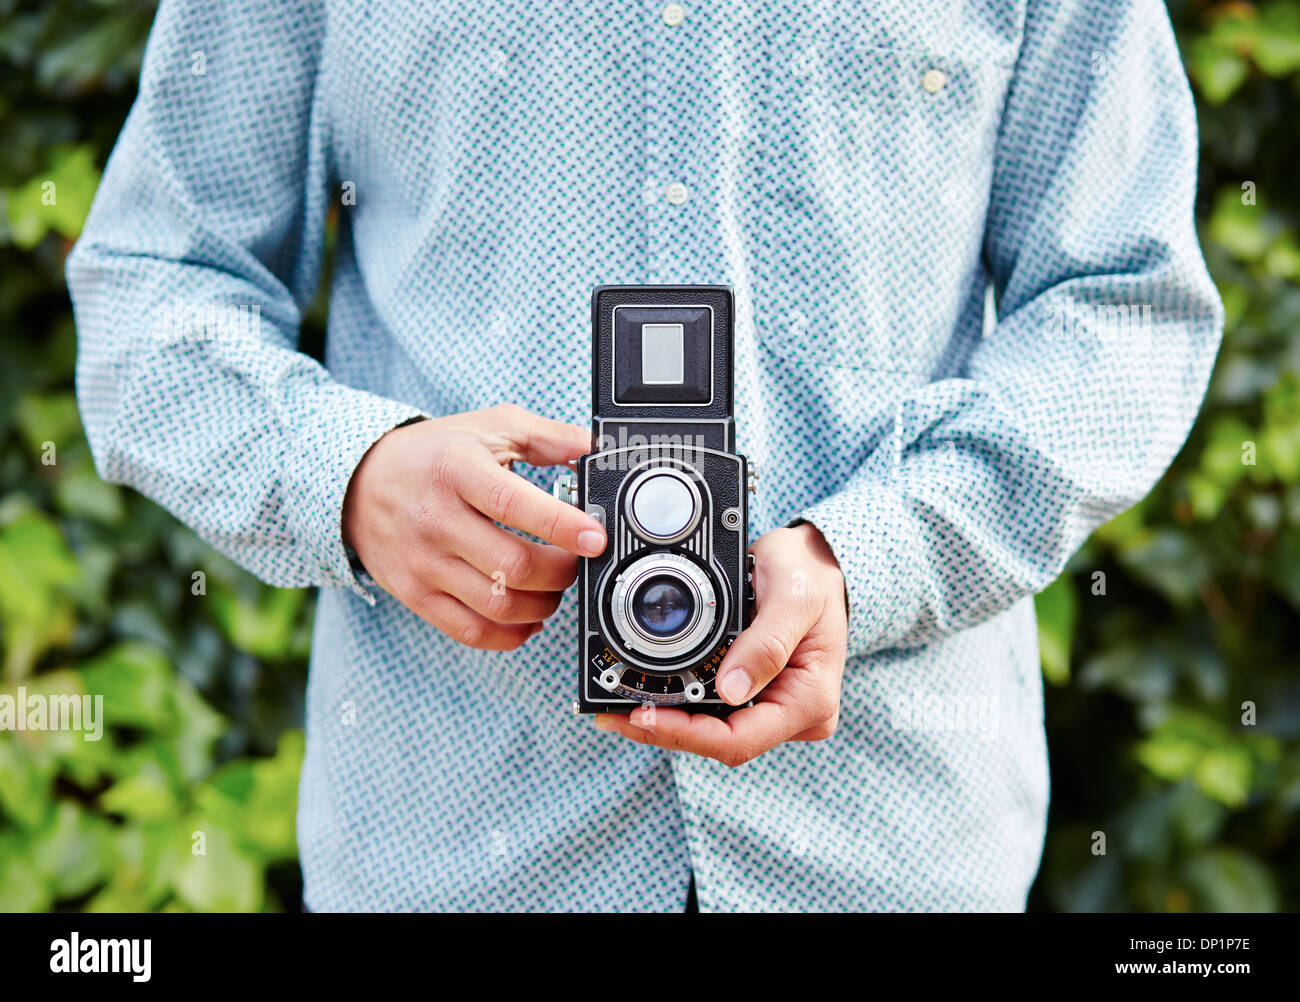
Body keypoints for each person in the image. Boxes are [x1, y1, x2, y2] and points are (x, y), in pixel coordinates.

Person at [67, 0, 1222, 912]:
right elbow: (155, 280)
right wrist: (355, 477)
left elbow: (1122, 301)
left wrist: (872, 559)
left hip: (891, 852)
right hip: (446, 853)